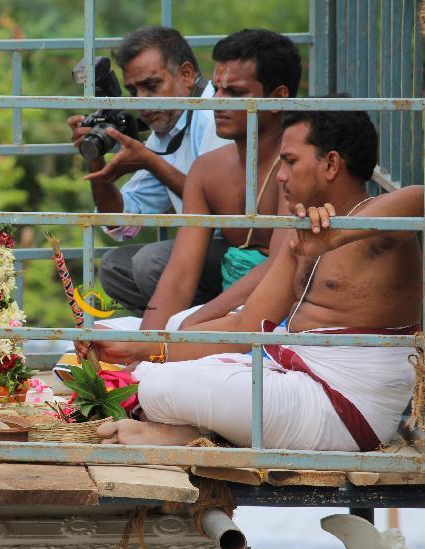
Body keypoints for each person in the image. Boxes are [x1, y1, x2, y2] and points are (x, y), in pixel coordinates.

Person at [80, 109, 421, 452]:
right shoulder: (302, 236)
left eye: (289, 162)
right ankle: (186, 433)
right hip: (295, 380)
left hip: (345, 411)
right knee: (145, 376)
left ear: (331, 164)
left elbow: (419, 198)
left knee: (159, 388)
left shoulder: (383, 226)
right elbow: (245, 326)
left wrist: (337, 237)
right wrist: (135, 346)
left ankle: (186, 430)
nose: (281, 177)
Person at [54, 29, 301, 381]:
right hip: (231, 298)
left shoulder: (294, 161)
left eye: (235, 93)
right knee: (91, 342)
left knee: (153, 276)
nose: (218, 100)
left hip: (282, 307)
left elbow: (280, 268)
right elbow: (177, 275)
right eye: (217, 88)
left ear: (277, 99)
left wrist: (192, 324)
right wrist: (141, 359)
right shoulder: (207, 163)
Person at [67, 27, 228, 314]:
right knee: (116, 267)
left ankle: (193, 335)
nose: (141, 101)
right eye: (133, 91)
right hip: (202, 250)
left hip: (238, 247)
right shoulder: (165, 132)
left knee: (150, 262)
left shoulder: (215, 114)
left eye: (151, 86)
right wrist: (95, 157)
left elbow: (219, 207)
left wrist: (149, 161)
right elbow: (120, 222)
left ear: (187, 75)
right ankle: (176, 331)